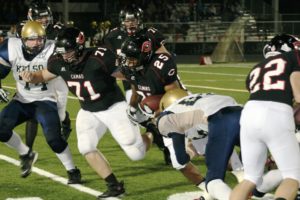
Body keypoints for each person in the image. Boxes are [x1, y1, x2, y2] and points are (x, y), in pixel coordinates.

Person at [20, 27, 153, 199]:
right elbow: (44, 75)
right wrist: (32, 76)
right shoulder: (58, 61)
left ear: (80, 46)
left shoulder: (100, 58)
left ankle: (151, 132)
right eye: (62, 53)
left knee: (136, 154)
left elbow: (130, 75)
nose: (65, 57)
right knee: (85, 146)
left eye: (68, 52)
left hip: (113, 107)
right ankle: (114, 185)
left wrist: (140, 95)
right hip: (88, 110)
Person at [0, 21, 81, 183]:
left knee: (54, 139)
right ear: (22, 39)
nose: (37, 43)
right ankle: (25, 154)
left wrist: (61, 106)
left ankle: (72, 170)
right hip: (22, 100)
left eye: (40, 39)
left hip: (46, 100)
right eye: (32, 39)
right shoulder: (10, 48)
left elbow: (64, 77)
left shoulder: (52, 50)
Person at [230, 34, 300, 200]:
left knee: (250, 178)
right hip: (276, 112)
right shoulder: (293, 58)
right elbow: (298, 96)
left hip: (249, 114)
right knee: (293, 176)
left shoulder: (256, 67)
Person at [104, 4, 171, 164]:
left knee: (161, 115)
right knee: (137, 116)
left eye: (134, 20)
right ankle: (156, 136)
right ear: (122, 21)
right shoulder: (113, 36)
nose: (131, 24)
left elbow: (165, 56)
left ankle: (167, 146)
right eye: (127, 21)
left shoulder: (150, 34)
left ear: (140, 21)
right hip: (131, 82)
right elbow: (107, 61)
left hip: (152, 80)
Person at [157, 88, 243, 200]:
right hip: (239, 110)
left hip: (217, 120)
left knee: (214, 180)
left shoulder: (169, 117)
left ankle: (213, 191)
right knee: (249, 164)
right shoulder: (193, 103)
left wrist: (189, 153)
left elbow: (181, 160)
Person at [18, 0, 71, 152]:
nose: (43, 20)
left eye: (45, 17)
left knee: (59, 114)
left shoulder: (58, 29)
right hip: (35, 73)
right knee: (32, 112)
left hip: (55, 73)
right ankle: (28, 150)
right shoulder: (23, 29)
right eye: (39, 17)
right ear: (30, 17)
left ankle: (65, 122)